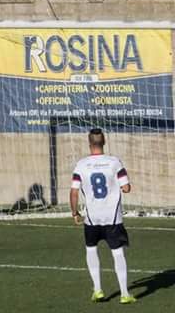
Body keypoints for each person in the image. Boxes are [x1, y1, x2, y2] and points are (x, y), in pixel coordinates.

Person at [70, 128, 136, 304]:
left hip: (91, 218)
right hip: (112, 218)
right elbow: (126, 188)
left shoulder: (81, 164)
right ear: (104, 141)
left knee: (91, 249)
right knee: (117, 253)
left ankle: (98, 290)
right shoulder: (114, 162)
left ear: (89, 143)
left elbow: (74, 192)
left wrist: (75, 212)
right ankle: (124, 294)